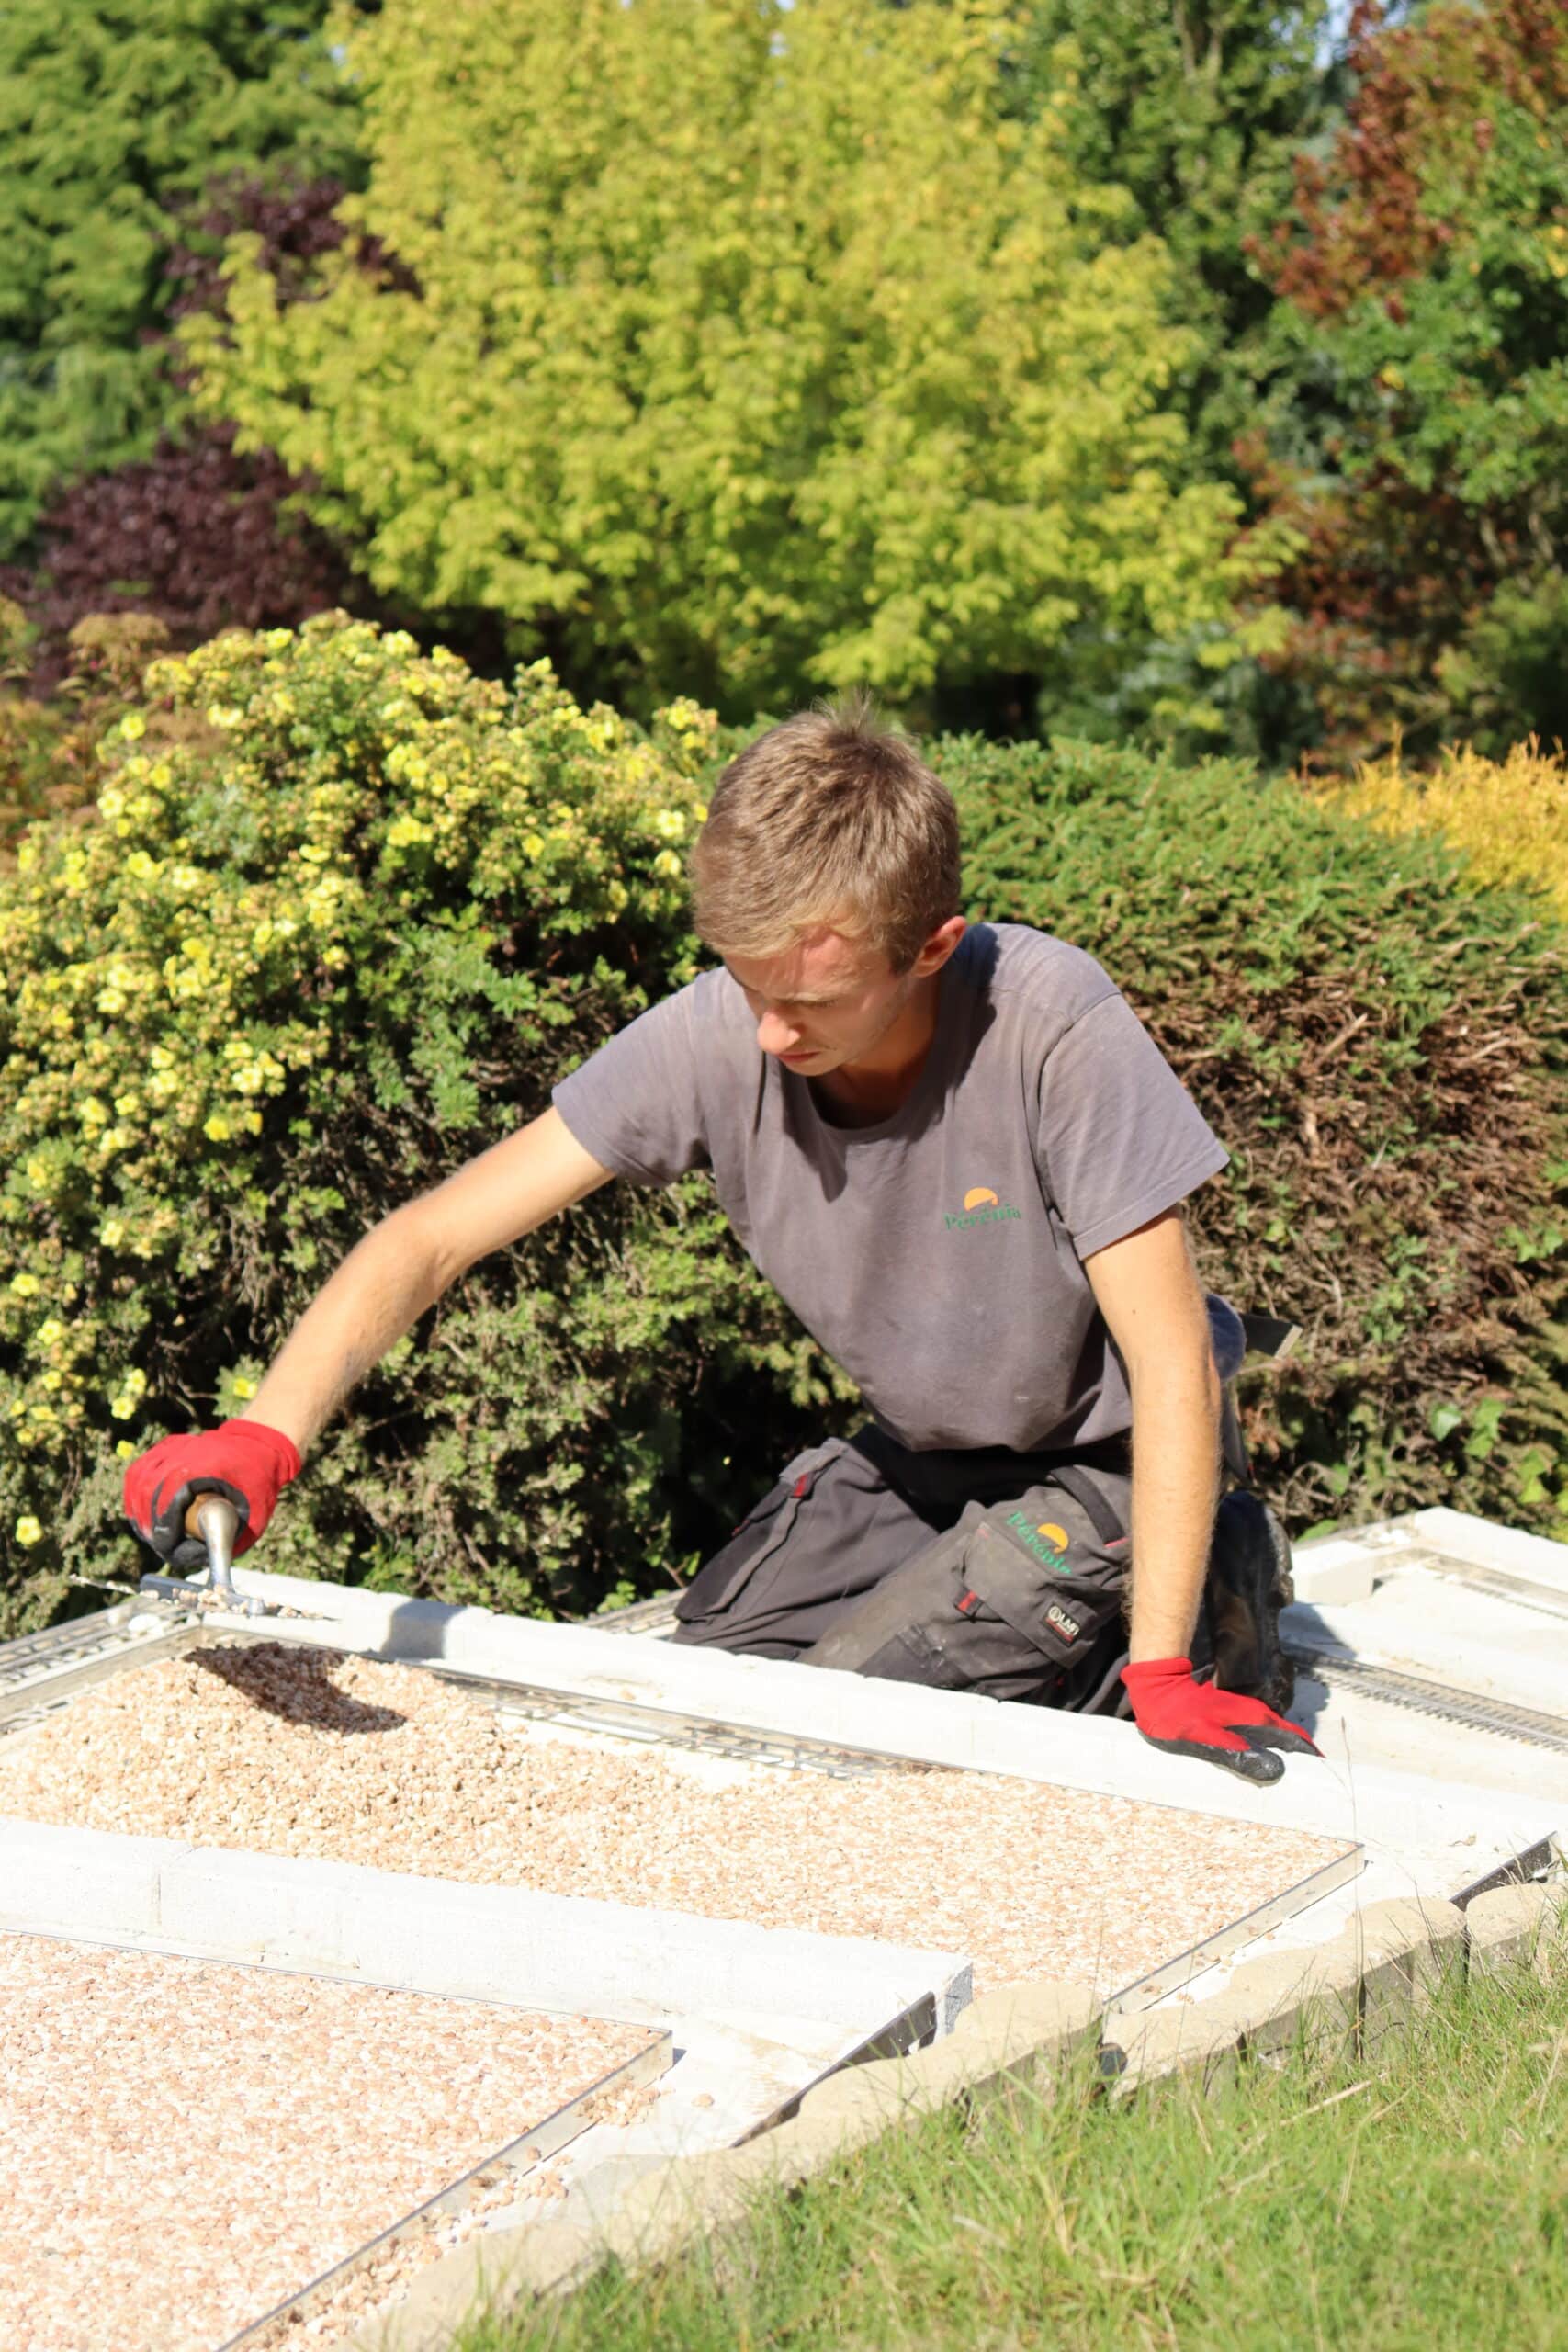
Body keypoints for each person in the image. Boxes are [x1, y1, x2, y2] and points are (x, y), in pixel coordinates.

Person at [124, 695, 1318, 1785]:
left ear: (932, 949)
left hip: (1111, 1461)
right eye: (748, 985)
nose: (768, 1037)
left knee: (839, 1733)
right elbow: (432, 1238)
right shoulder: (719, 1033)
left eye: (812, 1002)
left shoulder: (1052, 1024)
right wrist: (265, 1434)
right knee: (702, 1692)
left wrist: (1164, 1670)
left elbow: (1170, 1361)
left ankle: (1197, 1601)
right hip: (928, 1460)